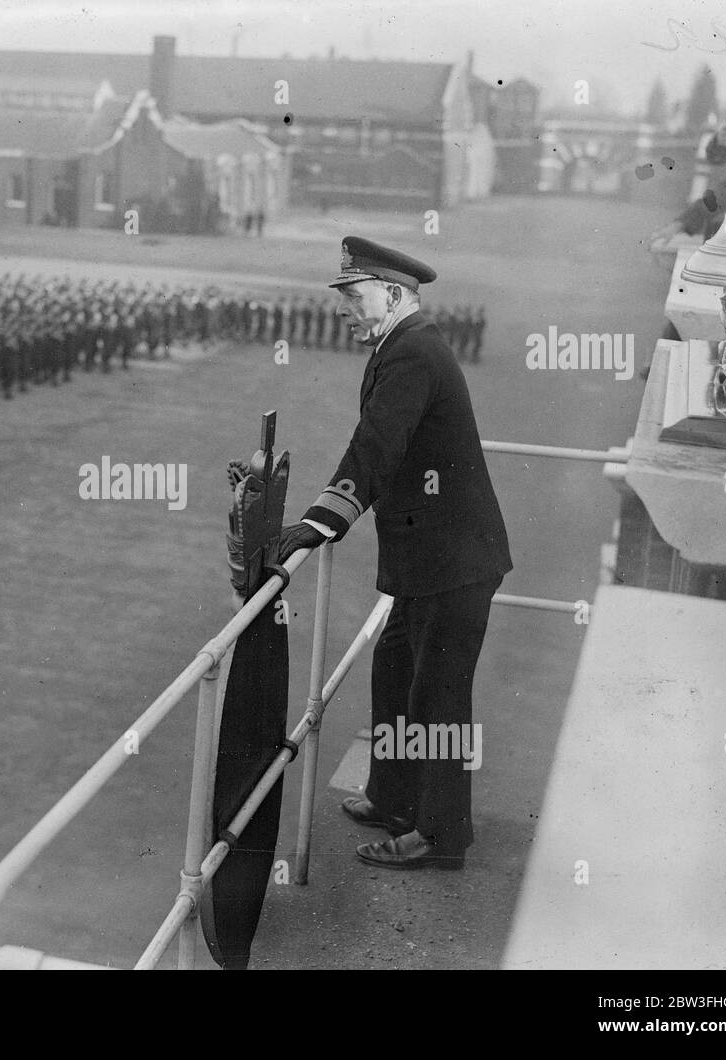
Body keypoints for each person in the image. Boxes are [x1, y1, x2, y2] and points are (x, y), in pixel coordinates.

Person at [276, 235, 513, 871]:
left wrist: (324, 517)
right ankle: (394, 796)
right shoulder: (403, 345)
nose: (346, 309)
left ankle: (440, 837)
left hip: (453, 562)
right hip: (430, 558)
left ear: (394, 293)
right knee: (394, 672)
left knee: (437, 696)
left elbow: (377, 441)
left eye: (354, 296)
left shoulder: (412, 352)